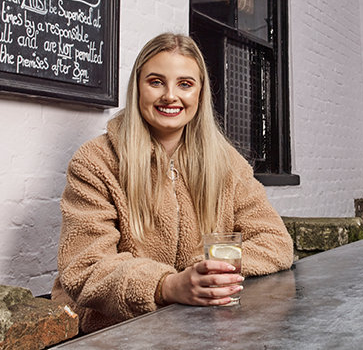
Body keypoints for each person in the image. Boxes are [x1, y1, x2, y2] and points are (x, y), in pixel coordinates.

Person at [51, 33, 293, 333]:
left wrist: (203, 269)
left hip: (200, 327)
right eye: (156, 82)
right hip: (114, 332)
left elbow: (275, 241)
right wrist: (166, 285)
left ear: (200, 94)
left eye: (185, 84)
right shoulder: (96, 161)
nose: (170, 96)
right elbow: (85, 267)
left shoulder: (227, 162)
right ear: (138, 87)